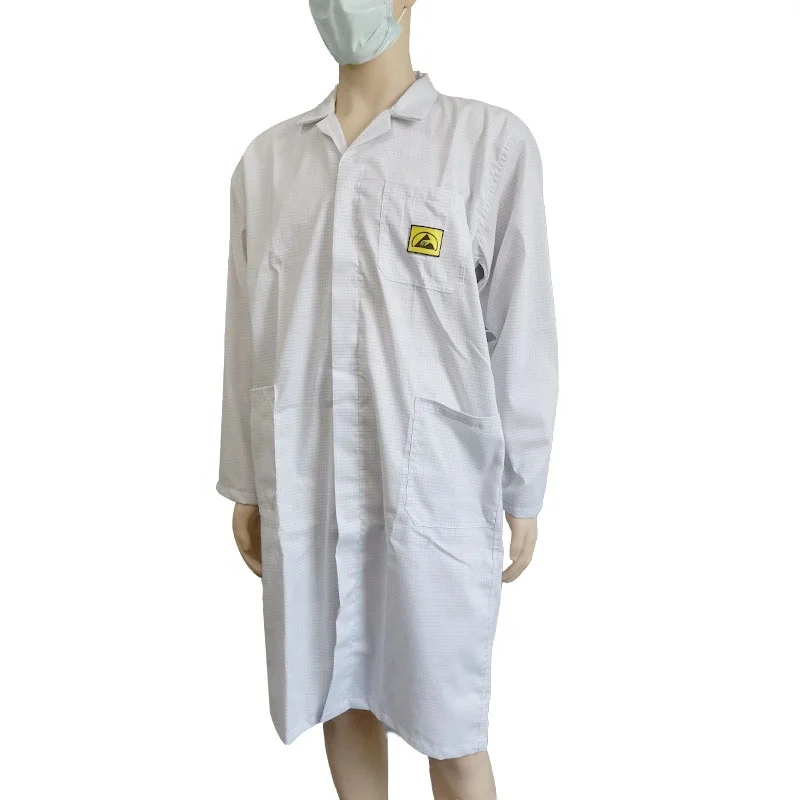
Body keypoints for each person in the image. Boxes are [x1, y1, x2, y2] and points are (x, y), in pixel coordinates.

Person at [216, 2, 559, 798]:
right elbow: (245, 335)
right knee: (340, 694)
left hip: (434, 491)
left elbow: (524, 329)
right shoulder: (267, 164)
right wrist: (246, 482)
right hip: (309, 481)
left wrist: (523, 488)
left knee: (451, 726)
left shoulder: (487, 146)